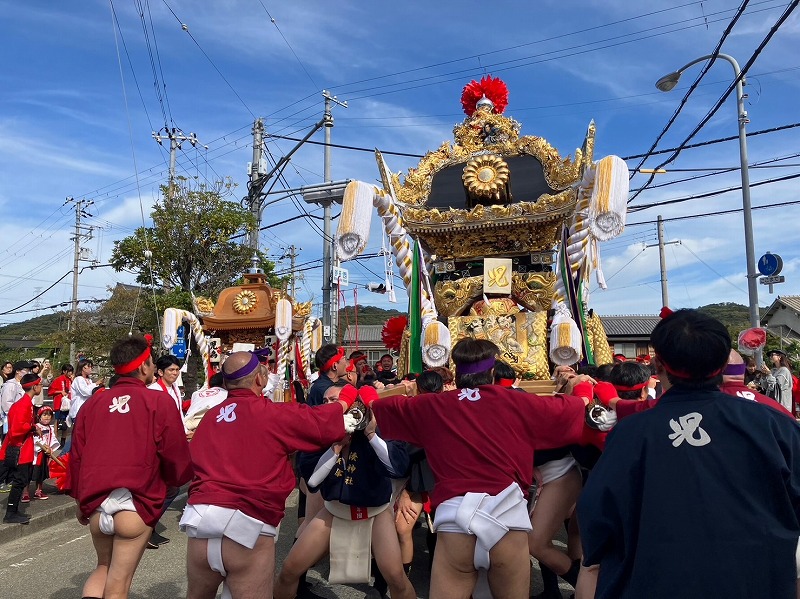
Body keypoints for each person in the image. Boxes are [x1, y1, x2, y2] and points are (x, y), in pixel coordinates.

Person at [577, 309, 800, 599]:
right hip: (757, 578)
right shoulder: (773, 424)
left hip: (655, 579)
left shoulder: (631, 433)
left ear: (658, 364)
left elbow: (597, 516)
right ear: (723, 364)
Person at [371, 338, 592, 599]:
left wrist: (399, 388)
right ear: (492, 372)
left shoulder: (431, 405)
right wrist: (582, 386)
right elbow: (579, 407)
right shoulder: (517, 401)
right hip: (507, 520)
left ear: (456, 373)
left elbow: (375, 405)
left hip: (456, 525)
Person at [180, 351, 360, 599]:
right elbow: (320, 423)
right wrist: (345, 399)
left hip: (200, 524)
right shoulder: (272, 413)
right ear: (259, 380)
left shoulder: (210, 418)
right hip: (247, 527)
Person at [67, 335, 192, 599]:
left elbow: (77, 455)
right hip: (136, 502)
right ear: (145, 366)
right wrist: (176, 480)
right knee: (118, 585)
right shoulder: (158, 401)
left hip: (98, 503)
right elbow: (174, 455)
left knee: (103, 568)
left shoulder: (93, 403)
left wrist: (80, 499)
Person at [277, 384, 413, 599]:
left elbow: (397, 468)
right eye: (326, 401)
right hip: (334, 511)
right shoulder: (321, 433)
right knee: (289, 570)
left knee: (396, 578)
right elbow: (312, 482)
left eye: (335, 400)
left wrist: (371, 435)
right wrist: (335, 448)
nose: (330, 406)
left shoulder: (379, 426)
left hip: (376, 513)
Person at [0, 373, 42, 524]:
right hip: (19, 449)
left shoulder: (25, 403)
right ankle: (10, 513)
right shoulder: (23, 404)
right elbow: (16, 429)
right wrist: (32, 427)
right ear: (35, 386)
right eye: (40, 385)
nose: (41, 388)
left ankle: (13, 511)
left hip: (20, 449)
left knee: (19, 480)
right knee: (19, 481)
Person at [31, 405, 60, 500]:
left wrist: (50, 448)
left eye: (49, 415)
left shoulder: (51, 428)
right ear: (39, 417)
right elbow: (35, 440)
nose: (47, 417)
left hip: (45, 454)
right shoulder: (36, 427)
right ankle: (25, 492)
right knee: (30, 473)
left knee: (41, 474)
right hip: (36, 454)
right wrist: (43, 446)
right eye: (44, 415)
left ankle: (38, 490)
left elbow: (53, 440)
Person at [48, 363, 74, 445]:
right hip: (59, 404)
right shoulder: (58, 380)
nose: (70, 373)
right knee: (57, 421)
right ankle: (55, 439)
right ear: (64, 371)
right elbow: (50, 391)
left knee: (66, 422)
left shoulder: (71, 380)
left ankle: (63, 439)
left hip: (68, 404)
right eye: (69, 371)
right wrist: (60, 392)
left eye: (71, 371)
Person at [762, 348, 794, 413]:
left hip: (782, 404)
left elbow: (776, 386)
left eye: (772, 355)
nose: (770, 357)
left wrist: (769, 374)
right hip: (772, 403)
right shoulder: (773, 370)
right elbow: (766, 387)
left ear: (779, 357)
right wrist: (764, 376)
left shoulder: (784, 370)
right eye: (770, 356)